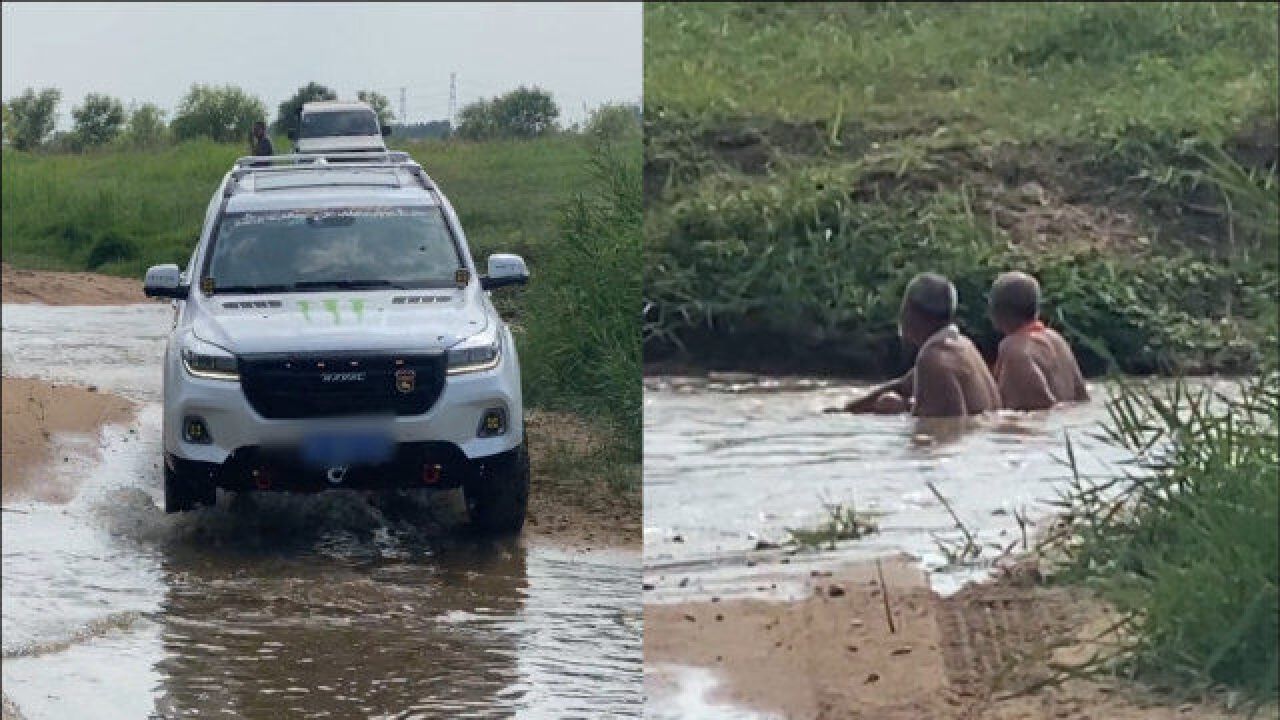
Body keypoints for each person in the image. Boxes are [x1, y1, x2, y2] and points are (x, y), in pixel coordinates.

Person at [830, 272, 999, 418]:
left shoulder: (933, 359)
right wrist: (846, 410)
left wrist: (900, 410)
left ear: (911, 313)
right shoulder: (962, 344)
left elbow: (938, 433)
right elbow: (904, 385)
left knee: (888, 403)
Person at [988, 271, 1089, 411]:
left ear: (997, 311)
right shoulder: (1056, 339)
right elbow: (1082, 397)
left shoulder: (1014, 349)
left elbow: (1039, 411)